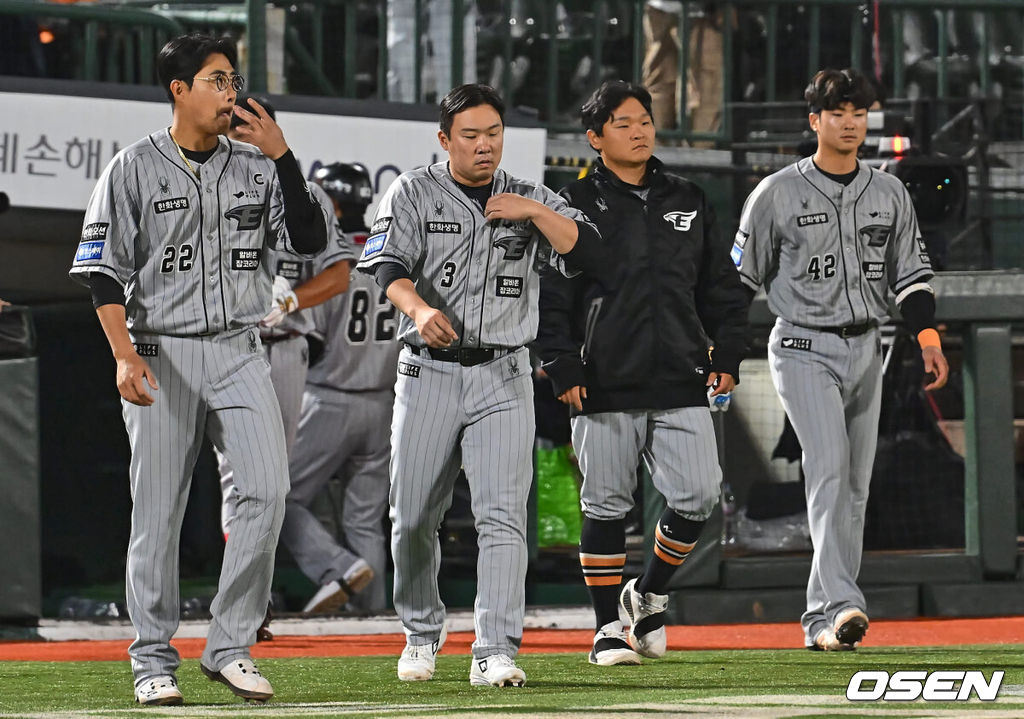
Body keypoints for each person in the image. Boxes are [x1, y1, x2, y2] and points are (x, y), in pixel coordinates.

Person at [68, 33, 328, 706]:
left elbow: (310, 240)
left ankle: (229, 645)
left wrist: (283, 155)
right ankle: (152, 657)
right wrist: (124, 355)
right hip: (158, 348)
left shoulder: (257, 165)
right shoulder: (130, 168)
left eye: (232, 79)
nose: (230, 91)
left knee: (268, 494)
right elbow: (101, 274)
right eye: (216, 79)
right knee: (158, 512)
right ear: (179, 89)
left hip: (240, 346)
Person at [355, 83, 603, 688]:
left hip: (504, 373)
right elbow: (386, 266)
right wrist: (416, 311)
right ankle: (420, 630)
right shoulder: (413, 189)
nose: (484, 145)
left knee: (502, 518)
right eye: (471, 135)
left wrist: (538, 213)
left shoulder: (526, 194)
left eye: (493, 133)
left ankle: (495, 647)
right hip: (428, 371)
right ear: (445, 140)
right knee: (411, 516)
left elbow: (594, 254)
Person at [534, 81, 749, 665]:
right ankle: (605, 628)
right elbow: (551, 296)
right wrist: (562, 363)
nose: (640, 131)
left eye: (645, 120)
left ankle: (647, 592)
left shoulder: (689, 196)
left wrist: (727, 354)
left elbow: (720, 290)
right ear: (595, 137)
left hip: (681, 375)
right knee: (604, 505)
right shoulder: (570, 204)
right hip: (603, 379)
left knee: (700, 495)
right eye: (624, 123)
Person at [733, 68, 949, 651]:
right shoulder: (777, 192)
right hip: (801, 343)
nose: (851, 121)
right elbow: (738, 283)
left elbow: (913, 277)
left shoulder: (889, 191)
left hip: (866, 344)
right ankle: (845, 602)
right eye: (838, 112)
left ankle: (819, 620)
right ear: (815, 121)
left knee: (854, 486)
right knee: (828, 468)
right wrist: (721, 355)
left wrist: (927, 337)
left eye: (859, 112)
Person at [279, 162, 394, 614]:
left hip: (331, 396)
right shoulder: (391, 252)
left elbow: (309, 333)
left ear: (334, 202)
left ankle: (336, 567)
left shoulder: (332, 258)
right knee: (366, 520)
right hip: (385, 403)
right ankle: (373, 621)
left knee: (278, 498)